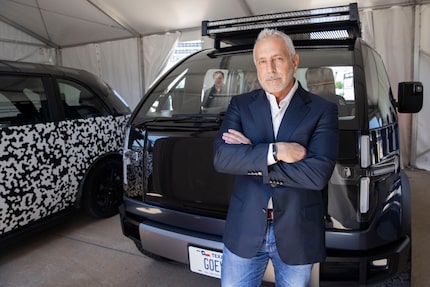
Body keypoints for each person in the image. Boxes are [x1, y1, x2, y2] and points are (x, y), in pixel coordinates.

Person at [213, 28, 339, 287]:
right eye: (262, 61)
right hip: (245, 228)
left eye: (277, 59)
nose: (269, 69)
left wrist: (251, 155)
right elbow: (223, 158)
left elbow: (316, 175)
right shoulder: (240, 104)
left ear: (294, 61)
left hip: (297, 231)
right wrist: (276, 151)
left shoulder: (322, 110)